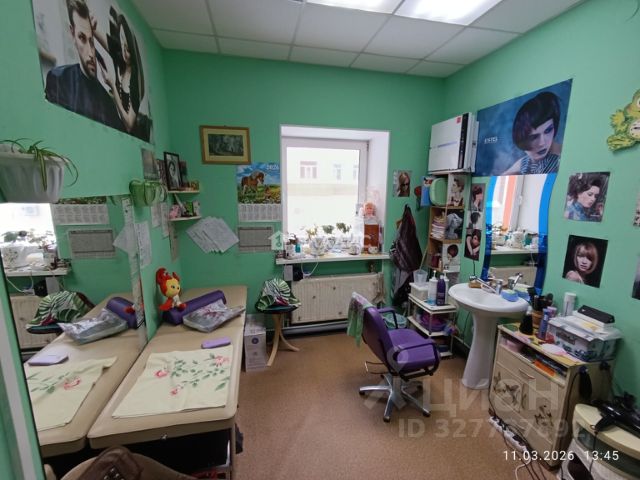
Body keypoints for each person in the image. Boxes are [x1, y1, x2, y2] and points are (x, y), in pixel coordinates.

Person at [44, 0, 124, 131]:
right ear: (72, 34)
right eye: (82, 38)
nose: (91, 53)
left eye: (91, 41)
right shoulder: (59, 80)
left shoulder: (108, 103)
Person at [93, 7, 149, 141]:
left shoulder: (135, 83)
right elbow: (99, 35)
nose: (124, 50)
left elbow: (129, 125)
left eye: (128, 50)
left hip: (130, 138)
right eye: (123, 44)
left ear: (133, 54)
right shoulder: (121, 61)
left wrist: (113, 86)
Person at [503, 92, 562, 175]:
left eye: (548, 130)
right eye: (533, 137)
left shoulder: (559, 158)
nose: (542, 143)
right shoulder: (525, 162)